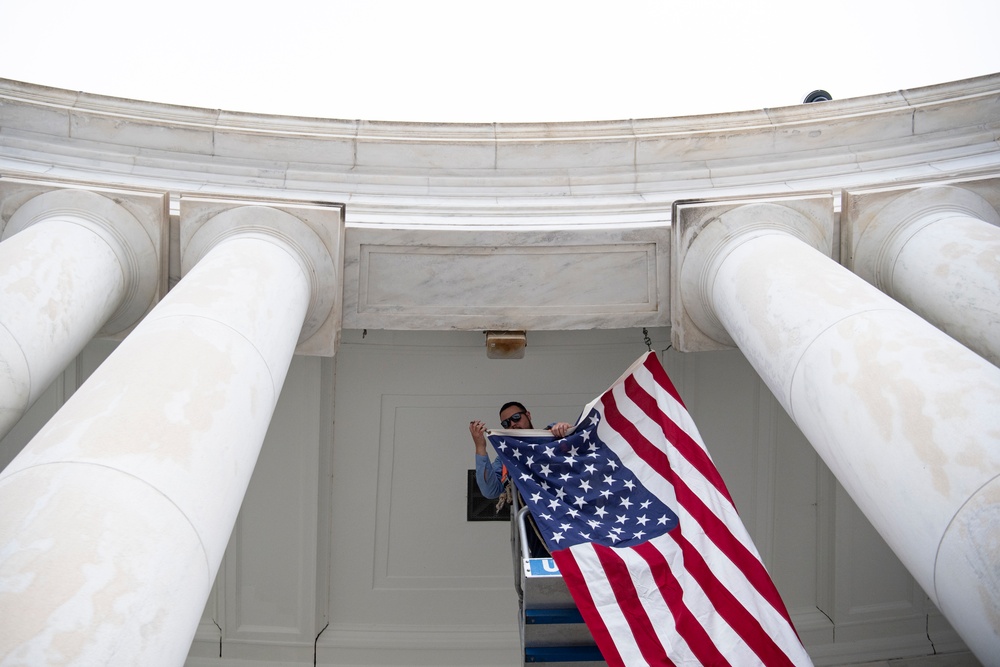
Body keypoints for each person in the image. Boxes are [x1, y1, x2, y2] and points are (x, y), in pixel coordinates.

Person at [469, 402, 572, 558]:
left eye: (516, 417)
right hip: (536, 522)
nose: (513, 424)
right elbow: (490, 491)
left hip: (568, 514)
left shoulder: (552, 435)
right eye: (506, 423)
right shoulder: (506, 457)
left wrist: (566, 429)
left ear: (528, 415)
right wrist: (480, 447)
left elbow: (579, 446)